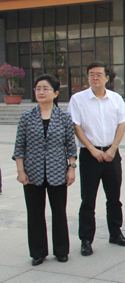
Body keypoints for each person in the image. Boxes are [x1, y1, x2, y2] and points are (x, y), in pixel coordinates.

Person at [68, 61, 125, 256]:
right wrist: (91, 149)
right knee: (88, 200)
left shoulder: (116, 98)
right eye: (91, 74)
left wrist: (113, 149)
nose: (95, 77)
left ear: (106, 78)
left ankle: (116, 233)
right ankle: (86, 239)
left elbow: (122, 124)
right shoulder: (77, 99)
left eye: (99, 74)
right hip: (90, 155)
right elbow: (76, 126)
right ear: (87, 78)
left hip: (112, 154)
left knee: (114, 198)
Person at [13, 74, 77, 266]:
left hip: (58, 171)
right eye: (38, 88)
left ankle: (61, 250)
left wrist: (71, 168)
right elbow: (19, 146)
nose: (41, 92)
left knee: (59, 212)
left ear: (55, 93)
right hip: (32, 172)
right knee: (34, 213)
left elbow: (70, 145)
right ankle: (38, 252)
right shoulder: (27, 117)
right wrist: (20, 171)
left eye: (45, 88)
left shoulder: (64, 117)